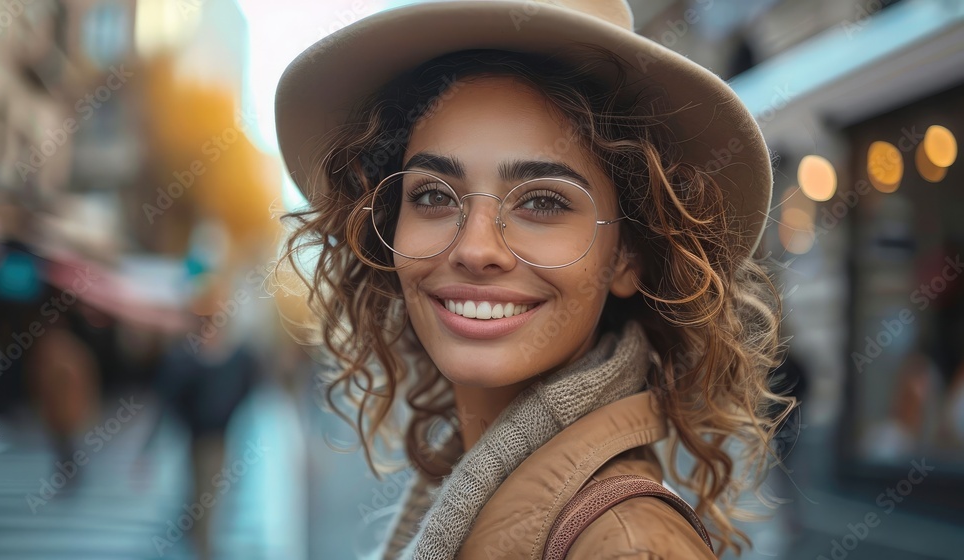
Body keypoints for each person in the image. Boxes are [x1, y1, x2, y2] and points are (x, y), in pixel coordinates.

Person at [274, 1, 795, 558]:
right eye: (431, 195)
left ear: (628, 256)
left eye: (543, 202)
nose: (475, 249)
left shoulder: (628, 547)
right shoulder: (469, 487)